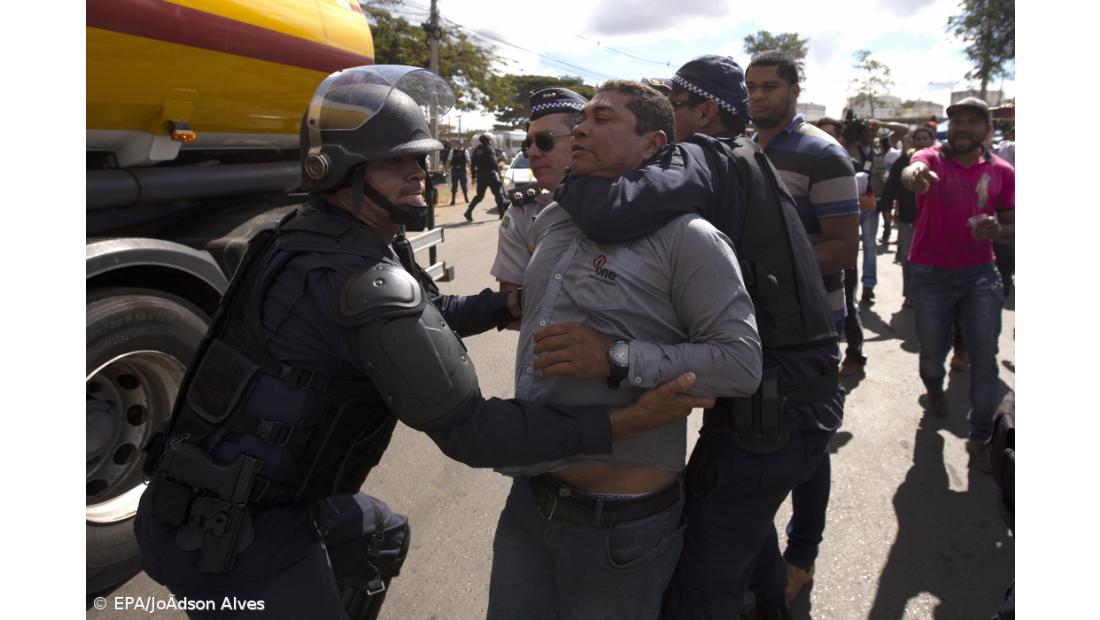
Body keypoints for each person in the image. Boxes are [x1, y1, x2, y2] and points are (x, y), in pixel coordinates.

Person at [134, 65, 714, 620]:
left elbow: (430, 315)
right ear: (338, 169)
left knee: (380, 534)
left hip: (235, 498)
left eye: (421, 159)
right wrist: (623, 424)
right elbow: (474, 431)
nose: (421, 174)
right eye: (396, 163)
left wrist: (506, 304)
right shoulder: (361, 280)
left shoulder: (319, 235)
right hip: (234, 535)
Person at [549, 55, 845, 620]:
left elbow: (612, 213)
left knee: (702, 577)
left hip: (774, 404)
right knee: (744, 532)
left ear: (705, 112)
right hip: (789, 399)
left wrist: (571, 169)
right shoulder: (745, 161)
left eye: (676, 107)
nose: (668, 121)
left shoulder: (707, 153)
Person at [486, 79, 764, 620]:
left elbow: (740, 363)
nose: (582, 127)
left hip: (620, 528)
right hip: (530, 501)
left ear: (653, 144)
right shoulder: (554, 219)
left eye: (603, 118)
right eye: (582, 117)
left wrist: (617, 356)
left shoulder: (689, 238)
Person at [745, 49, 860, 606]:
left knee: (808, 447)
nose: (759, 96)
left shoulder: (822, 153)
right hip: (755, 326)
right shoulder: (744, 149)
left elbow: (841, 247)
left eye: (770, 86)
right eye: (752, 87)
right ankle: (754, 555)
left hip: (810, 328)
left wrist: (762, 264)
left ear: (794, 89)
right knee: (757, 439)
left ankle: (801, 555)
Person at [901, 96, 1014, 472]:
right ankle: (934, 389)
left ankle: (981, 436)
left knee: (984, 359)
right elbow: (912, 169)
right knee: (932, 354)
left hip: (981, 273)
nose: (963, 127)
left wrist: (1000, 229)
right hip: (930, 274)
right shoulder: (932, 158)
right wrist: (915, 176)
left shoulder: (1002, 171)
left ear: (987, 129)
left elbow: (1014, 225)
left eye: (972, 121)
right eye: (957, 120)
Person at [491, 87, 587, 292]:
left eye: (545, 141)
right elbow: (512, 304)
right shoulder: (523, 212)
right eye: (528, 144)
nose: (532, 153)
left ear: (580, 138)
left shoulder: (625, 202)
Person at [881, 125, 936, 307]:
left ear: (932, 140)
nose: (921, 142)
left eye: (925, 138)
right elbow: (891, 186)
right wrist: (886, 207)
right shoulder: (904, 160)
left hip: (934, 219)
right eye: (918, 138)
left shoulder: (941, 162)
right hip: (908, 217)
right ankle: (909, 294)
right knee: (907, 256)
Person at [465, 133, 506, 221]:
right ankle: (502, 213)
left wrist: (473, 176)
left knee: (479, 196)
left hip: (480, 176)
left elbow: (472, 165)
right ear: (487, 141)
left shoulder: (476, 150)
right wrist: (498, 173)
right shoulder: (489, 149)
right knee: (498, 194)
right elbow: (493, 162)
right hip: (490, 175)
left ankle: (468, 211)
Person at [447, 140, 470, 205]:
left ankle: (466, 198)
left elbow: (468, 160)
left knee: (464, 185)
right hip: (454, 170)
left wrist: (471, 169)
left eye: (461, 144)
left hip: (462, 170)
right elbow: (449, 160)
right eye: (459, 144)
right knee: (454, 185)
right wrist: (446, 168)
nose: (460, 145)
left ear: (462, 144)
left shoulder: (465, 151)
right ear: (456, 144)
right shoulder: (452, 151)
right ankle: (453, 200)